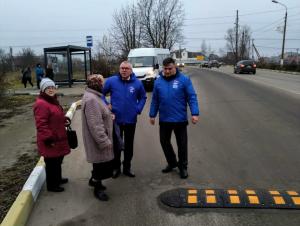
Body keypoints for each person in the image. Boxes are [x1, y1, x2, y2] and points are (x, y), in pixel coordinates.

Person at [149, 57, 200, 179]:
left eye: (169, 68)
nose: (166, 71)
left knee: (182, 145)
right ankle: (172, 163)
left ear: (175, 67)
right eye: (165, 68)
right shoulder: (158, 82)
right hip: (164, 119)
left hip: (180, 119)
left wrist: (195, 113)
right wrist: (152, 114)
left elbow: (192, 97)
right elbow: (155, 100)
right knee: (164, 142)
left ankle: (183, 167)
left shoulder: (184, 80)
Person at [103, 61, 147, 178]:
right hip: (115, 120)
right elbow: (100, 94)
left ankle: (127, 167)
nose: (124, 70)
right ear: (119, 69)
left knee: (129, 145)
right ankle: (116, 167)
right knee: (116, 145)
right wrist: (106, 104)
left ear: (131, 70)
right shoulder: (112, 81)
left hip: (130, 120)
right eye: (122, 68)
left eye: (126, 68)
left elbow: (143, 97)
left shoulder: (137, 83)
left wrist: (137, 109)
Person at [33, 78, 70, 192]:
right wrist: (48, 138)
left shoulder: (52, 100)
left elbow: (56, 115)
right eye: (48, 88)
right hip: (50, 139)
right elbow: (41, 124)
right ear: (43, 90)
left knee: (57, 160)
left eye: (52, 87)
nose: (50, 90)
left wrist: (64, 119)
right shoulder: (41, 104)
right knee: (51, 163)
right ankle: (52, 185)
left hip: (58, 136)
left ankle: (57, 179)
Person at [81, 74, 115, 201]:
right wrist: (104, 141)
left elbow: (99, 114)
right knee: (100, 165)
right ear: (97, 84)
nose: (104, 85)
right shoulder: (92, 100)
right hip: (97, 140)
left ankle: (94, 181)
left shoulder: (94, 96)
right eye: (102, 83)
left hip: (97, 139)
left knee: (100, 164)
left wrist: (108, 115)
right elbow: (95, 125)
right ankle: (98, 188)